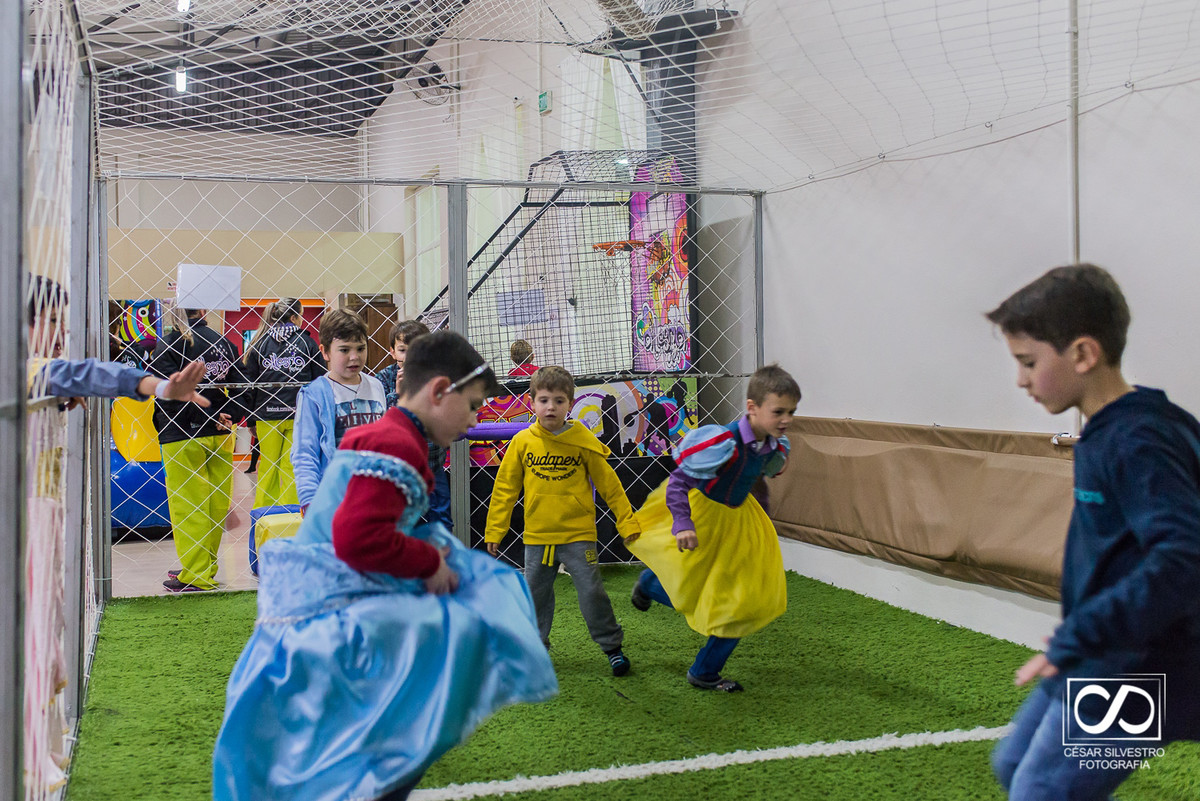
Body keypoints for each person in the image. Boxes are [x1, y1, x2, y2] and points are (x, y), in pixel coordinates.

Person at [212, 331, 557, 801]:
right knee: (371, 751)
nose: (476, 420)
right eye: (474, 406)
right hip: (332, 612)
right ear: (439, 392)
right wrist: (428, 558)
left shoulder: (392, 433)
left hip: (332, 600)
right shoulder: (397, 444)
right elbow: (360, 538)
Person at [986, 264, 1200, 799]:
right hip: (1103, 651)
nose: (1021, 379)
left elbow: (1183, 557)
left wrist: (1083, 635)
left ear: (1083, 354)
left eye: (1029, 362)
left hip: (1144, 666)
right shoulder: (1112, 430)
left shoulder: (1140, 439)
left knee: (1040, 791)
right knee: (1013, 764)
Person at [627, 364, 798, 692]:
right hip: (703, 517)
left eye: (791, 411)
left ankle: (704, 670)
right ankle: (651, 585)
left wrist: (759, 514)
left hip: (740, 524)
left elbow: (756, 481)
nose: (786, 419)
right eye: (779, 411)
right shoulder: (722, 442)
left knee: (742, 603)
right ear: (752, 408)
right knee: (693, 587)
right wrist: (682, 524)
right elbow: (677, 483)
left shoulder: (775, 447)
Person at [484, 366, 639, 676]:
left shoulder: (583, 441)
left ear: (570, 403)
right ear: (531, 402)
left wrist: (628, 523)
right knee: (535, 595)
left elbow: (610, 485)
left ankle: (612, 647)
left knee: (592, 592)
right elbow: (505, 488)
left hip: (577, 534)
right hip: (537, 536)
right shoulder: (522, 442)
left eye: (558, 400)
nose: (550, 407)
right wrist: (495, 530)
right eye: (543, 400)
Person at [148, 305, 245, 593]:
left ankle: (196, 572)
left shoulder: (170, 342)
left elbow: (165, 391)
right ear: (204, 309)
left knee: (189, 505)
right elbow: (245, 384)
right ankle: (204, 565)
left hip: (181, 433)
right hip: (220, 433)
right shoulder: (223, 342)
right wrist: (226, 414)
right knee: (216, 505)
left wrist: (209, 416)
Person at [291, 308, 386, 512]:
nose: (354, 357)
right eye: (344, 350)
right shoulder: (314, 394)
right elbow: (304, 452)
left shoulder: (376, 386)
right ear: (325, 352)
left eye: (360, 348)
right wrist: (309, 500)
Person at [240, 298, 324, 507]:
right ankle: (292, 516)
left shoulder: (258, 344)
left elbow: (249, 384)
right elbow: (319, 379)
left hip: (266, 415)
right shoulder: (307, 343)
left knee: (267, 467)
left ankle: (263, 516)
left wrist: (250, 419)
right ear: (295, 317)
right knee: (292, 467)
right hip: (299, 415)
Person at [373, 318, 453, 528]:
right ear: (392, 352)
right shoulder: (383, 379)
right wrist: (399, 395)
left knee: (442, 518)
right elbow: (382, 420)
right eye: (403, 350)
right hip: (400, 468)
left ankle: (441, 558)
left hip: (432, 464)